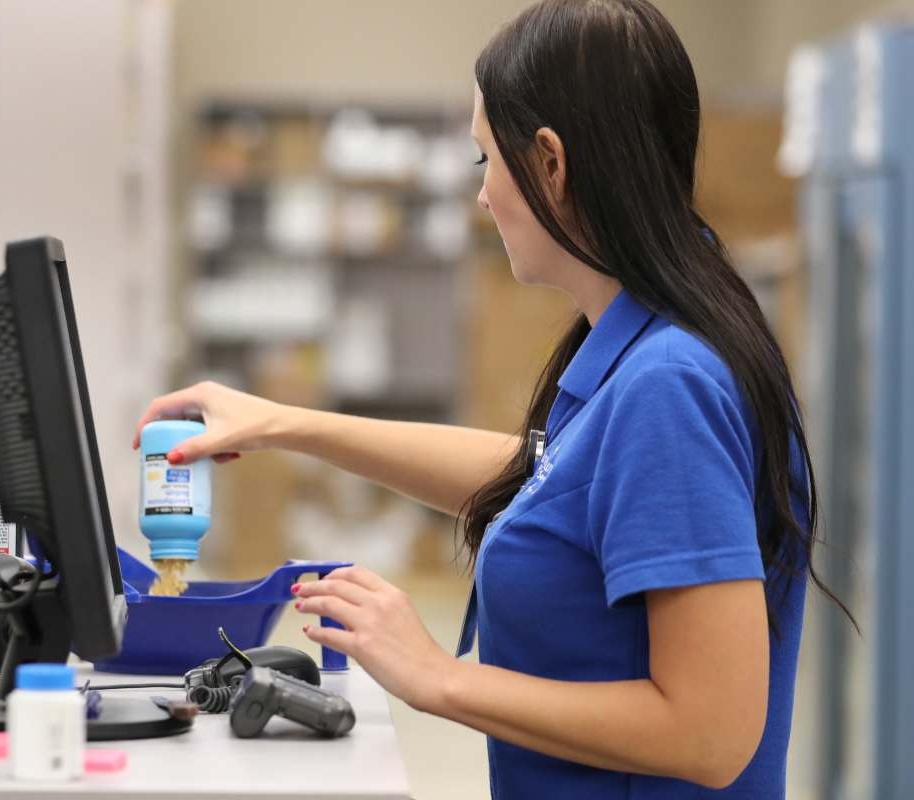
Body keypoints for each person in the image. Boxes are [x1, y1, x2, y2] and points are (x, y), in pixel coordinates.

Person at [133, 1, 853, 796]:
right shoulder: (650, 333)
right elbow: (550, 483)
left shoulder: (669, 384)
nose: (482, 198)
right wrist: (286, 424)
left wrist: (435, 677)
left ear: (550, 162)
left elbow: (711, 733)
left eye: (486, 161)